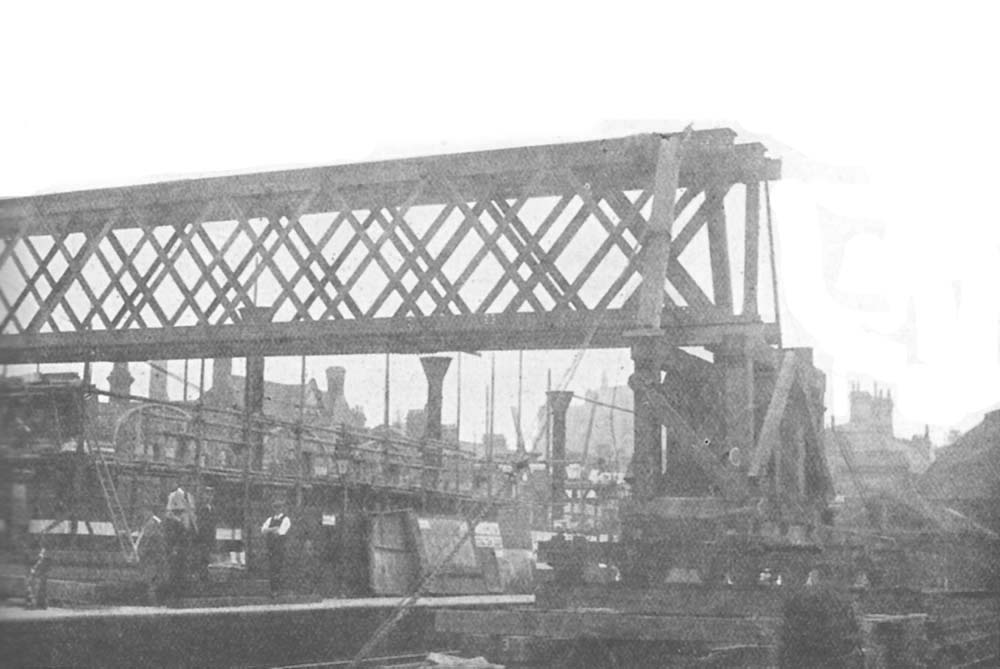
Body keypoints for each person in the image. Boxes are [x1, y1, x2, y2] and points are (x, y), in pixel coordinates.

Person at [135, 504, 167, 605]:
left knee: (151, 581)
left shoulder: (152, 523)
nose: (143, 513)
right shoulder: (151, 522)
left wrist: (141, 552)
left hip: (152, 557)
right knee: (152, 581)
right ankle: (153, 602)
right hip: (153, 556)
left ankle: (153, 602)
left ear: (149, 511)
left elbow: (148, 539)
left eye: (144, 511)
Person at [261, 499, 291, 596]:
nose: (277, 509)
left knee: (278, 568)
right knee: (271, 568)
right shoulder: (270, 519)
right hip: (270, 547)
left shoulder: (286, 519)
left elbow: (280, 532)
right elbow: (262, 530)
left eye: (279, 507)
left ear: (283, 508)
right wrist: (273, 529)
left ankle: (277, 590)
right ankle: (273, 590)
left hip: (280, 548)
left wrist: (269, 530)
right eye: (275, 507)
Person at [194, 486, 217, 582]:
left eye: (211, 494)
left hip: (210, 535)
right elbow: (199, 522)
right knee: (201, 556)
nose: (209, 497)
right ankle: (201, 575)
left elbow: (213, 523)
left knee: (207, 556)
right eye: (206, 494)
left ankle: (205, 574)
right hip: (201, 535)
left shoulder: (213, 508)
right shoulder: (200, 508)